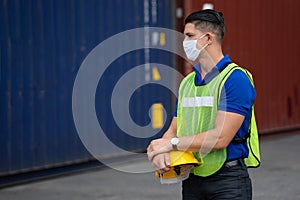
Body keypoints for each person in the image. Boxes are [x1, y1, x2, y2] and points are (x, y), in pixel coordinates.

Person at [147, 9, 260, 200]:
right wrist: (160, 154)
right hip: (193, 180)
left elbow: (220, 138)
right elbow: (174, 129)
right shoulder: (188, 82)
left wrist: (170, 145)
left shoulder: (234, 79)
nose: (185, 43)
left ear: (208, 38)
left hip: (228, 182)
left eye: (189, 36)